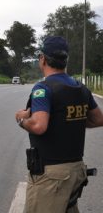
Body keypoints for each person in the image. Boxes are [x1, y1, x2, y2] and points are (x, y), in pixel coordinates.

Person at [15, 36, 103, 213]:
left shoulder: (43, 88)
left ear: (43, 59)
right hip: (76, 171)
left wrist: (21, 119)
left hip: (51, 176)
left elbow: (39, 126)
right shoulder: (80, 88)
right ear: (65, 60)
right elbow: (98, 119)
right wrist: (67, 121)